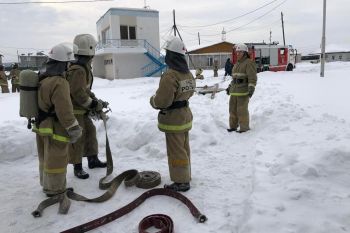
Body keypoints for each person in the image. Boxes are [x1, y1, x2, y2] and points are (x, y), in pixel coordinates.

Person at [34, 43, 82, 197]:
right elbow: (64, 110)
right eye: (68, 63)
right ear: (63, 63)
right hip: (55, 128)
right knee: (57, 158)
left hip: (42, 125)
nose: (69, 66)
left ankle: (47, 184)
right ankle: (55, 189)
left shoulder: (43, 78)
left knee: (45, 156)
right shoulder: (59, 82)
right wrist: (73, 128)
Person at [150, 36, 196, 192]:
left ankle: (181, 181)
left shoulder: (170, 75)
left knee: (176, 151)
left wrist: (153, 101)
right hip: (185, 116)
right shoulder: (188, 74)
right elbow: (190, 92)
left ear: (171, 55)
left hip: (174, 119)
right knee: (184, 148)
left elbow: (163, 101)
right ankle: (186, 174)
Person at [67, 34, 107, 179]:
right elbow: (77, 92)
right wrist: (92, 104)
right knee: (78, 138)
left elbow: (84, 89)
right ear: (89, 48)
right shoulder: (78, 69)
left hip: (81, 110)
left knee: (90, 132)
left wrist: (95, 99)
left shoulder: (83, 67)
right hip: (75, 110)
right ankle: (77, 167)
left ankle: (93, 160)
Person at [226, 43, 257, 133]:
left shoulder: (249, 63)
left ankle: (244, 128)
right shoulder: (236, 64)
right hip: (234, 91)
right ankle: (233, 126)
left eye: (240, 52)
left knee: (242, 111)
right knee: (232, 110)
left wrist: (251, 88)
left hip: (243, 91)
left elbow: (252, 77)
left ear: (245, 53)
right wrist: (230, 87)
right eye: (237, 52)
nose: (238, 54)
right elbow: (234, 78)